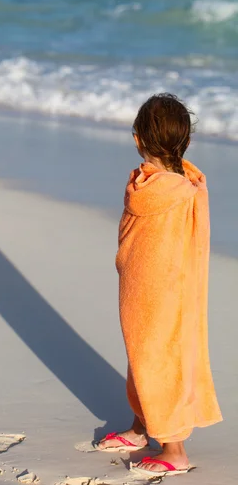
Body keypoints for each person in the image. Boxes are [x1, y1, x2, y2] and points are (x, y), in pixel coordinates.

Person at [98, 93, 222, 477]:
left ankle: (174, 447)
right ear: (184, 142)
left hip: (156, 289)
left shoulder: (152, 192)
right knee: (142, 354)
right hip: (169, 286)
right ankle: (141, 427)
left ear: (137, 138)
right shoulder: (186, 183)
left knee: (158, 357)